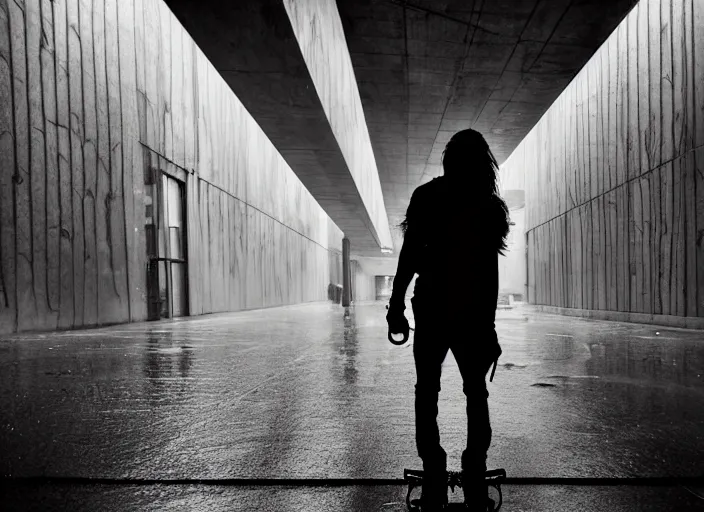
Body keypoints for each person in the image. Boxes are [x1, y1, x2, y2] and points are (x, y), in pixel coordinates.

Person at [386, 129, 509, 511]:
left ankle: (434, 470)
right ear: (482, 161)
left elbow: (409, 255)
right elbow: (489, 273)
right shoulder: (487, 205)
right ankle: (474, 466)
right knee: (476, 391)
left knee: (427, 390)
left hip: (432, 307)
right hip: (471, 314)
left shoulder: (427, 197)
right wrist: (489, 327)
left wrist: (396, 305)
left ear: (448, 159)